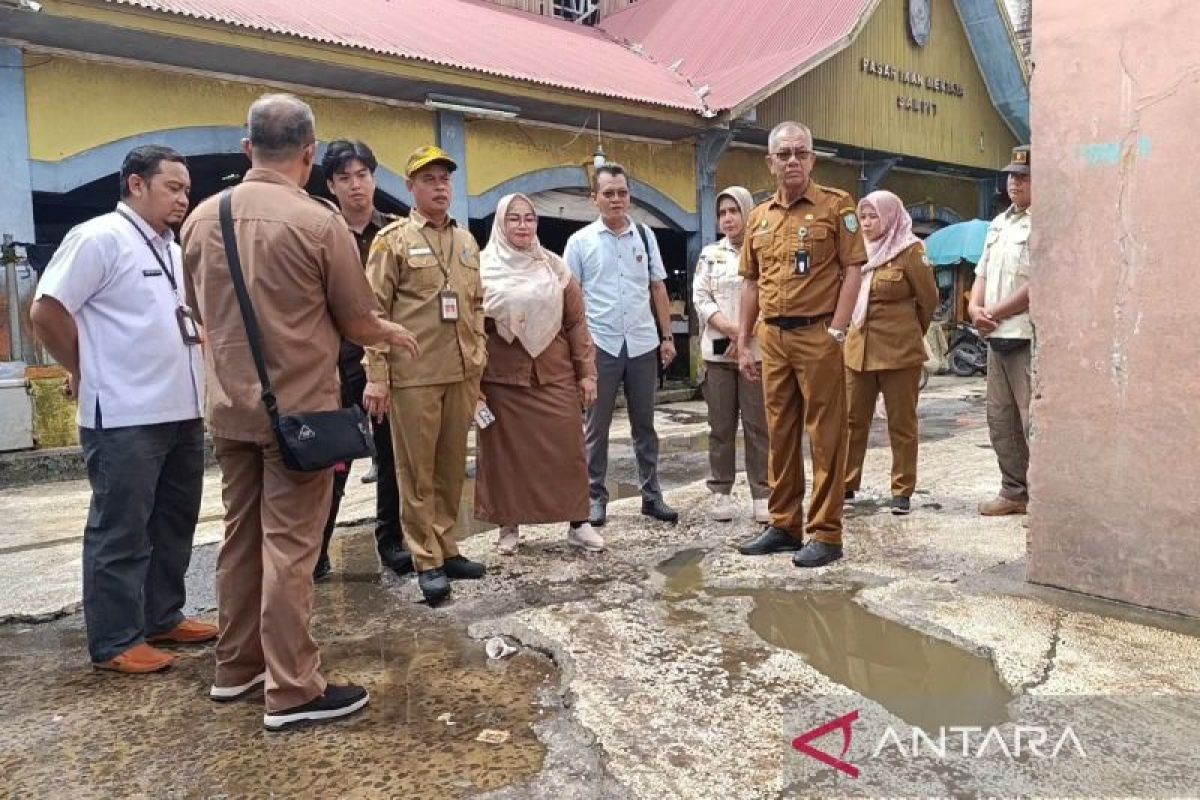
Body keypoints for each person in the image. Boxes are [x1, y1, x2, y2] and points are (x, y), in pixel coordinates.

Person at [181, 94, 420, 731]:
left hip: (229, 407)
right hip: (300, 415)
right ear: (311, 156)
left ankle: (236, 669)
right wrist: (391, 334)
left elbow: (198, 312)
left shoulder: (202, 219)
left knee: (241, 536)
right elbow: (356, 317)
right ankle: (292, 690)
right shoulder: (320, 223)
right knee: (291, 546)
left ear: (246, 147)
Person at [30, 145, 214, 675]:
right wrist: (85, 368)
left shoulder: (174, 249)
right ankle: (115, 640)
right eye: (172, 188)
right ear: (136, 184)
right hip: (125, 413)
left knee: (175, 521)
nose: (183, 198)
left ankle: (163, 616)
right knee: (122, 529)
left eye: (185, 189)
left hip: (180, 406)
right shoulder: (98, 238)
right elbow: (46, 311)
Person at [735, 121, 867, 568]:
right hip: (773, 336)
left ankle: (826, 532)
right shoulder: (759, 217)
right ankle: (785, 524)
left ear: (812, 159)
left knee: (826, 435)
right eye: (784, 153)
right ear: (770, 162)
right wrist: (742, 338)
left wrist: (838, 330)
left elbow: (853, 271)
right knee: (780, 433)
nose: (793, 160)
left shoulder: (837, 206)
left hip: (817, 334)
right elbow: (751, 283)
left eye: (801, 152)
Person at [361, 145, 488, 606]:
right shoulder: (391, 240)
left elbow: (476, 306)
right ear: (410, 187)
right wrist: (377, 374)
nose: (439, 187)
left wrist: (479, 363)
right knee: (415, 471)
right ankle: (425, 559)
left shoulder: (468, 242)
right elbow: (372, 312)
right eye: (429, 179)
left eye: (445, 179)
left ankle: (446, 544)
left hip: (460, 372)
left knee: (451, 467)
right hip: (412, 373)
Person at [473, 193, 602, 554]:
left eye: (529, 218)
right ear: (500, 223)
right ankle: (508, 526)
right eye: (514, 219)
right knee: (504, 456)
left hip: (554, 372)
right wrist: (473, 385)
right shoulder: (482, 268)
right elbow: (471, 328)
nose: (522, 226)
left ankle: (579, 522)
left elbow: (576, 322)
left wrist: (586, 372)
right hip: (502, 378)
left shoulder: (555, 267)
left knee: (569, 448)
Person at [314, 139, 410, 581]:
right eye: (344, 178)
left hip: (385, 363)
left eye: (363, 175)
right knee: (332, 461)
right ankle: (316, 547)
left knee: (392, 457)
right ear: (331, 185)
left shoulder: (396, 233)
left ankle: (391, 540)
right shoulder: (318, 232)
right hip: (332, 365)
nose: (355, 186)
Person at [564, 163, 679, 528]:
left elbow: (657, 288)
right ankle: (595, 497)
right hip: (602, 346)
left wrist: (667, 337)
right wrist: (579, 352)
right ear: (594, 198)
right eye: (608, 193)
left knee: (645, 424)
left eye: (622, 192)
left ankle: (651, 495)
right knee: (596, 428)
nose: (616, 199)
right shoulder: (580, 242)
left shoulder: (645, 236)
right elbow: (571, 299)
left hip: (643, 344)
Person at [843, 190, 939, 515]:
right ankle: (847, 482)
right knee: (853, 420)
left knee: (901, 423)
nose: (867, 223)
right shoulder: (856, 251)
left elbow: (928, 300)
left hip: (900, 352)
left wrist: (911, 333)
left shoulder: (910, 250)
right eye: (863, 216)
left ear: (889, 217)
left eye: (873, 216)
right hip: (858, 349)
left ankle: (902, 489)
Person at [692, 186, 771, 524]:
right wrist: (732, 329)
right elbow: (701, 297)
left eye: (733, 211)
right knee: (721, 426)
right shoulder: (709, 254)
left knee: (758, 426)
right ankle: (721, 491)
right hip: (719, 353)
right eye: (722, 213)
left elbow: (770, 295)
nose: (727, 219)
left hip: (756, 352)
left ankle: (763, 494)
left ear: (748, 213)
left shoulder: (765, 252)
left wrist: (748, 331)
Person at [969, 145, 1033, 516]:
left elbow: (1038, 283)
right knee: (1000, 418)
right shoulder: (999, 223)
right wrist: (975, 308)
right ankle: (1013, 491)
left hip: (1025, 334)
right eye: (1011, 176)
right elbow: (982, 273)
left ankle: (1041, 497)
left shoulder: (1043, 223)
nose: (1015, 183)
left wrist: (991, 311)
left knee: (1031, 421)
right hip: (994, 335)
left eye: (1023, 177)